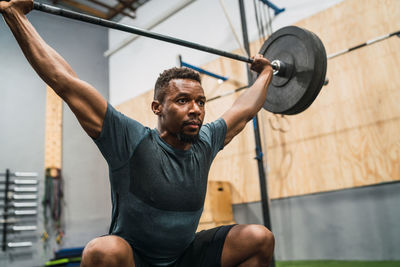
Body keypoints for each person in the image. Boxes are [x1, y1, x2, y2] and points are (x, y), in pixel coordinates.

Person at [1, 0, 275, 266]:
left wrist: (264, 74)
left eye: (200, 102)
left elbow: (244, 109)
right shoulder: (130, 140)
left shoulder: (206, 141)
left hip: (186, 256)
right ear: (157, 108)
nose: (196, 110)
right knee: (102, 251)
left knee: (259, 238)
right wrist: (16, 16)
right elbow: (66, 82)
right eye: (182, 101)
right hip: (135, 259)